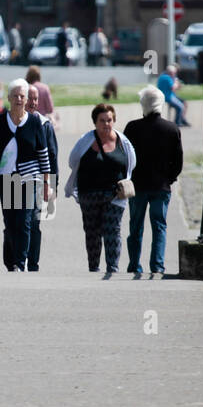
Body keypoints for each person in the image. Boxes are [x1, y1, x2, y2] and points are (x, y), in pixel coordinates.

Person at [0, 79, 52, 272]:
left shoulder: (34, 122)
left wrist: (46, 183)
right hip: (6, 178)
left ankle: (20, 263)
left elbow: (43, 154)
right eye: (15, 95)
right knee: (10, 222)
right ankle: (11, 260)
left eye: (22, 96)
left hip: (30, 178)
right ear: (8, 98)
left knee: (24, 220)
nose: (19, 99)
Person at [65, 103, 136, 277]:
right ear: (95, 122)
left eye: (109, 120)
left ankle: (112, 268)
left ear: (114, 120)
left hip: (114, 195)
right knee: (92, 232)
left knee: (113, 231)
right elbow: (73, 161)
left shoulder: (123, 141)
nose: (106, 124)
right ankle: (94, 268)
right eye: (102, 121)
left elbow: (132, 162)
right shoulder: (86, 140)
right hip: (89, 194)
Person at [123, 86, 183, 278]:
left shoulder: (132, 128)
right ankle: (157, 265)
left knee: (136, 226)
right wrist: (170, 178)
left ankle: (134, 264)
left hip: (138, 186)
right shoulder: (172, 129)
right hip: (161, 186)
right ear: (161, 105)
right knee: (159, 225)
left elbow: (124, 157)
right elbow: (178, 160)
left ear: (143, 105)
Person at [24, 83, 59, 271]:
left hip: (38, 181)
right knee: (15, 223)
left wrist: (53, 186)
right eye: (30, 98)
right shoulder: (12, 122)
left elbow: (53, 157)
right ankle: (17, 259)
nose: (33, 102)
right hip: (13, 182)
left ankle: (33, 263)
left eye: (36, 99)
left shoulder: (45, 125)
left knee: (34, 222)